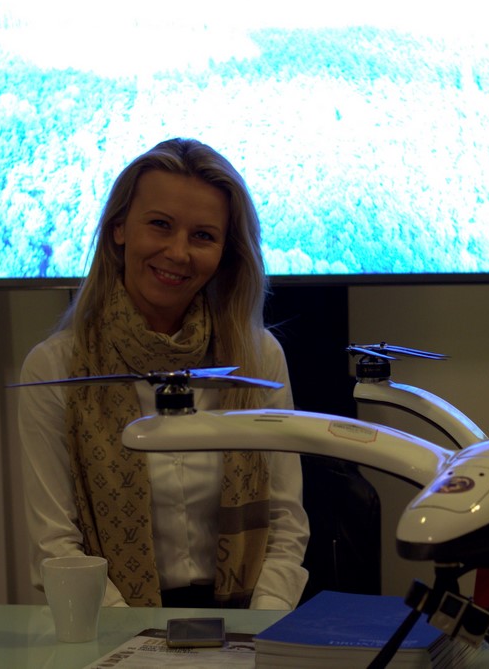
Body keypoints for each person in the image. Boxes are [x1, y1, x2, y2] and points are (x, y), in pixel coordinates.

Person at [17, 138, 309, 610]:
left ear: (226, 252)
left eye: (203, 236)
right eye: (160, 225)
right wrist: (128, 638)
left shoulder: (259, 358)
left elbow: (286, 521)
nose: (178, 252)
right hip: (112, 623)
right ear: (119, 229)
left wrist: (259, 627)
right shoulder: (54, 367)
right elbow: (56, 545)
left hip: (245, 617)